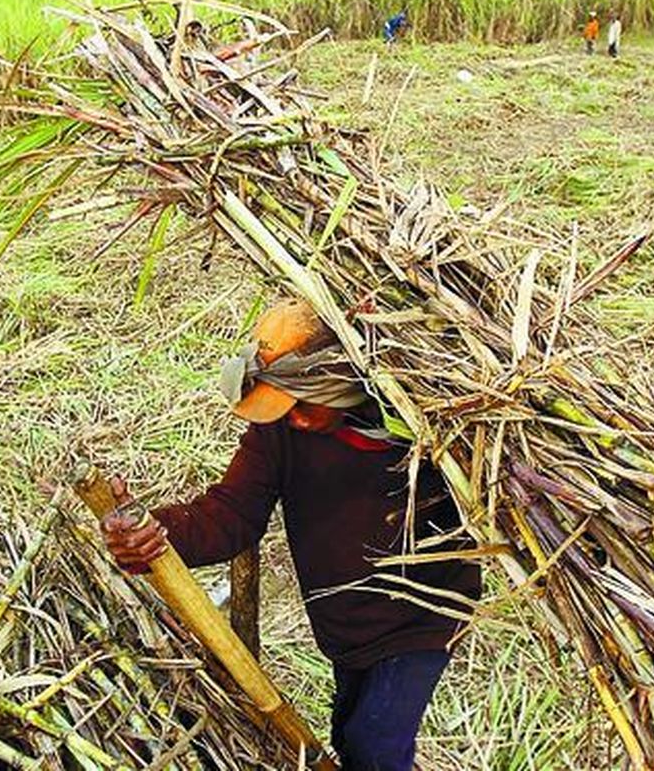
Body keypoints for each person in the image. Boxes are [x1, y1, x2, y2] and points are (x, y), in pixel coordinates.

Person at [101, 299, 481, 771]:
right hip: (344, 626)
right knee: (349, 736)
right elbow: (231, 513)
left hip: (423, 620)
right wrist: (156, 533)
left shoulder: (431, 431)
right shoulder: (281, 433)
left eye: (303, 403)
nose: (294, 418)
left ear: (343, 380)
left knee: (373, 747)